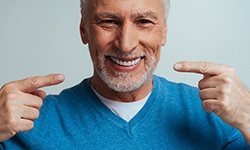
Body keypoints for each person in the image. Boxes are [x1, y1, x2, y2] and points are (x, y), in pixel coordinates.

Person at [0, 0, 250, 149]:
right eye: (108, 21)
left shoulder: (215, 115)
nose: (126, 44)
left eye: (143, 22)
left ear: (163, 32)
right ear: (84, 30)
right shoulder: (28, 122)